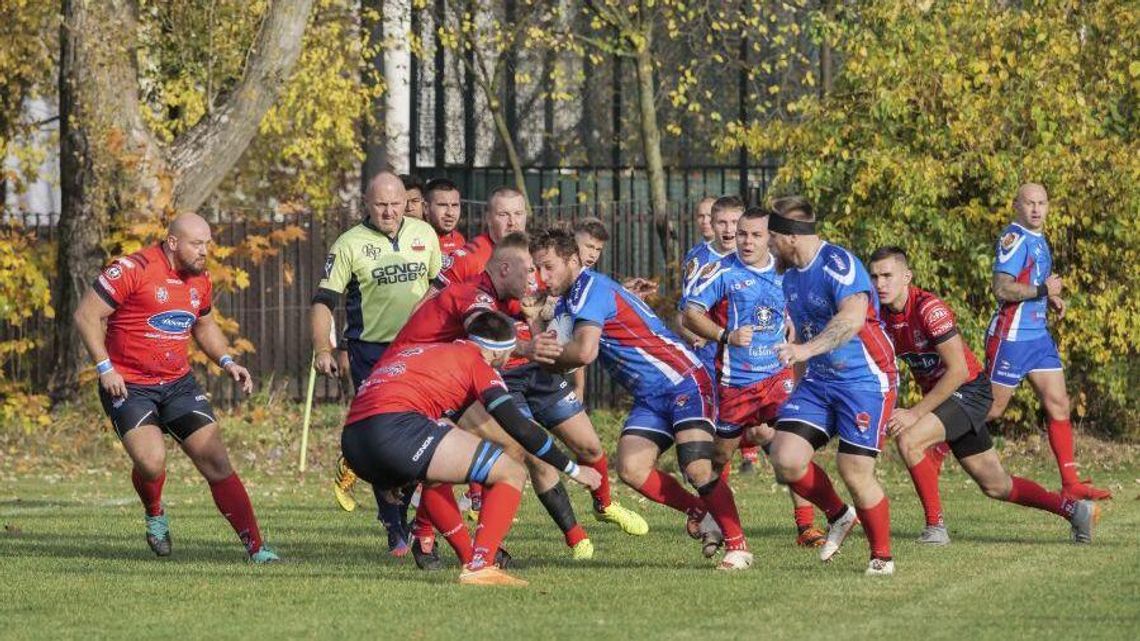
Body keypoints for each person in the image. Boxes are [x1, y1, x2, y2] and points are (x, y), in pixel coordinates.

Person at [399, 230, 647, 569]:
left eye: (539, 270)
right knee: (504, 457)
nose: (536, 279)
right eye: (530, 270)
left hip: (438, 379)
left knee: (491, 459)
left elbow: (555, 305)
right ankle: (464, 549)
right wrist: (526, 348)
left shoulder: (506, 294)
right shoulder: (479, 295)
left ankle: (468, 548)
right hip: (420, 382)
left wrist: (618, 294)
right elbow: (482, 334)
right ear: (504, 269)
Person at [533, 228, 753, 571]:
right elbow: (558, 338)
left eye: (548, 267)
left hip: (683, 380)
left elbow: (585, 351)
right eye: (537, 269)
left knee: (696, 466)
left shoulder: (590, 289)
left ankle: (738, 547)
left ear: (572, 261)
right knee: (632, 470)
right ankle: (701, 511)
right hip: (651, 395)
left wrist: (543, 355)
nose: (542, 277)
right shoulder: (573, 296)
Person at [73, 213, 278, 563]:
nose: (204, 251)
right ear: (172, 243)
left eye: (207, 244)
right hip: (129, 385)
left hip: (178, 384)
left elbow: (204, 325)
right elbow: (86, 315)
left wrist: (228, 362)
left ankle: (257, 548)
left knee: (215, 460)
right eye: (197, 244)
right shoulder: (132, 269)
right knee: (152, 464)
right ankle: (155, 512)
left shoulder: (200, 279)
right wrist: (105, 368)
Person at [342, 312, 601, 586]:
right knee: (510, 470)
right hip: (395, 430)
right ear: (499, 352)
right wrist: (573, 469)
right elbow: (520, 428)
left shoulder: (430, 350)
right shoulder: (478, 365)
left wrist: (390, 468)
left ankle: (468, 557)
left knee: (436, 472)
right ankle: (481, 565)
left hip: (354, 441)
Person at [870, 246, 1099, 545]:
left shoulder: (929, 309)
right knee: (996, 485)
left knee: (910, 438)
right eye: (874, 277)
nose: (880, 284)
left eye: (887, 275)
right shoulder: (878, 316)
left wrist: (914, 413)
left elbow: (958, 371)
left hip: (969, 389)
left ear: (906, 277)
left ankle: (935, 528)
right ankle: (1075, 511)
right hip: (947, 398)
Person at [764, 196, 899, 576]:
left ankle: (882, 557)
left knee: (854, 470)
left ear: (790, 236)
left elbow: (852, 319)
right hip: (820, 380)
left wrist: (804, 349)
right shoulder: (787, 273)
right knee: (786, 458)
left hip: (865, 380)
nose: (768, 245)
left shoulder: (837, 263)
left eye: (772, 237)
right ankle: (840, 514)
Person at [311, 171, 442, 554]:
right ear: (366, 205)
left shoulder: (424, 235)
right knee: (386, 440)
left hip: (419, 349)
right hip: (371, 352)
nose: (388, 211)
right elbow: (323, 301)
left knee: (424, 434)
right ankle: (393, 522)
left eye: (395, 203)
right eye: (380, 204)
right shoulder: (349, 244)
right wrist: (322, 347)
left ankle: (414, 516)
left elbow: (441, 287)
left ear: (407, 201)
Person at [681, 207, 825, 548]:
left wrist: (792, 321)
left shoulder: (785, 269)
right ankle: (713, 516)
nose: (741, 238)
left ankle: (808, 525)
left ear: (769, 238)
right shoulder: (716, 269)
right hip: (734, 380)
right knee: (719, 454)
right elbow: (689, 313)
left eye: (752, 233)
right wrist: (725, 335)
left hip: (777, 376)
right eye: (737, 231)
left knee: (789, 446)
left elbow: (800, 304)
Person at [984, 183, 1110, 500]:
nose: (1036, 209)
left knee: (1058, 404)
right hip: (1011, 338)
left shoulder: (1039, 239)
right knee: (991, 410)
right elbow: (1002, 288)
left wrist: (1050, 300)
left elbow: (1034, 285)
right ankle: (930, 444)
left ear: (1049, 206)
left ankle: (1071, 484)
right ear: (1016, 206)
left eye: (1042, 203)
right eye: (1030, 203)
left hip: (1038, 337)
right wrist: (1043, 291)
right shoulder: (1013, 238)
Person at [677, 197, 761, 474]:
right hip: (714, 351)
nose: (729, 229)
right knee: (720, 426)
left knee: (769, 429)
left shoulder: (757, 255)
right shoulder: (698, 260)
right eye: (722, 222)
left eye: (735, 223)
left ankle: (807, 515)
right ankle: (715, 503)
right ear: (711, 225)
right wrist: (695, 333)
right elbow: (686, 313)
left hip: (755, 352)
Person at [423, 177, 466, 254]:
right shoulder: (416, 241)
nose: (450, 213)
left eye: (455, 205)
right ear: (426, 208)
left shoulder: (460, 239)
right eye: (442, 205)